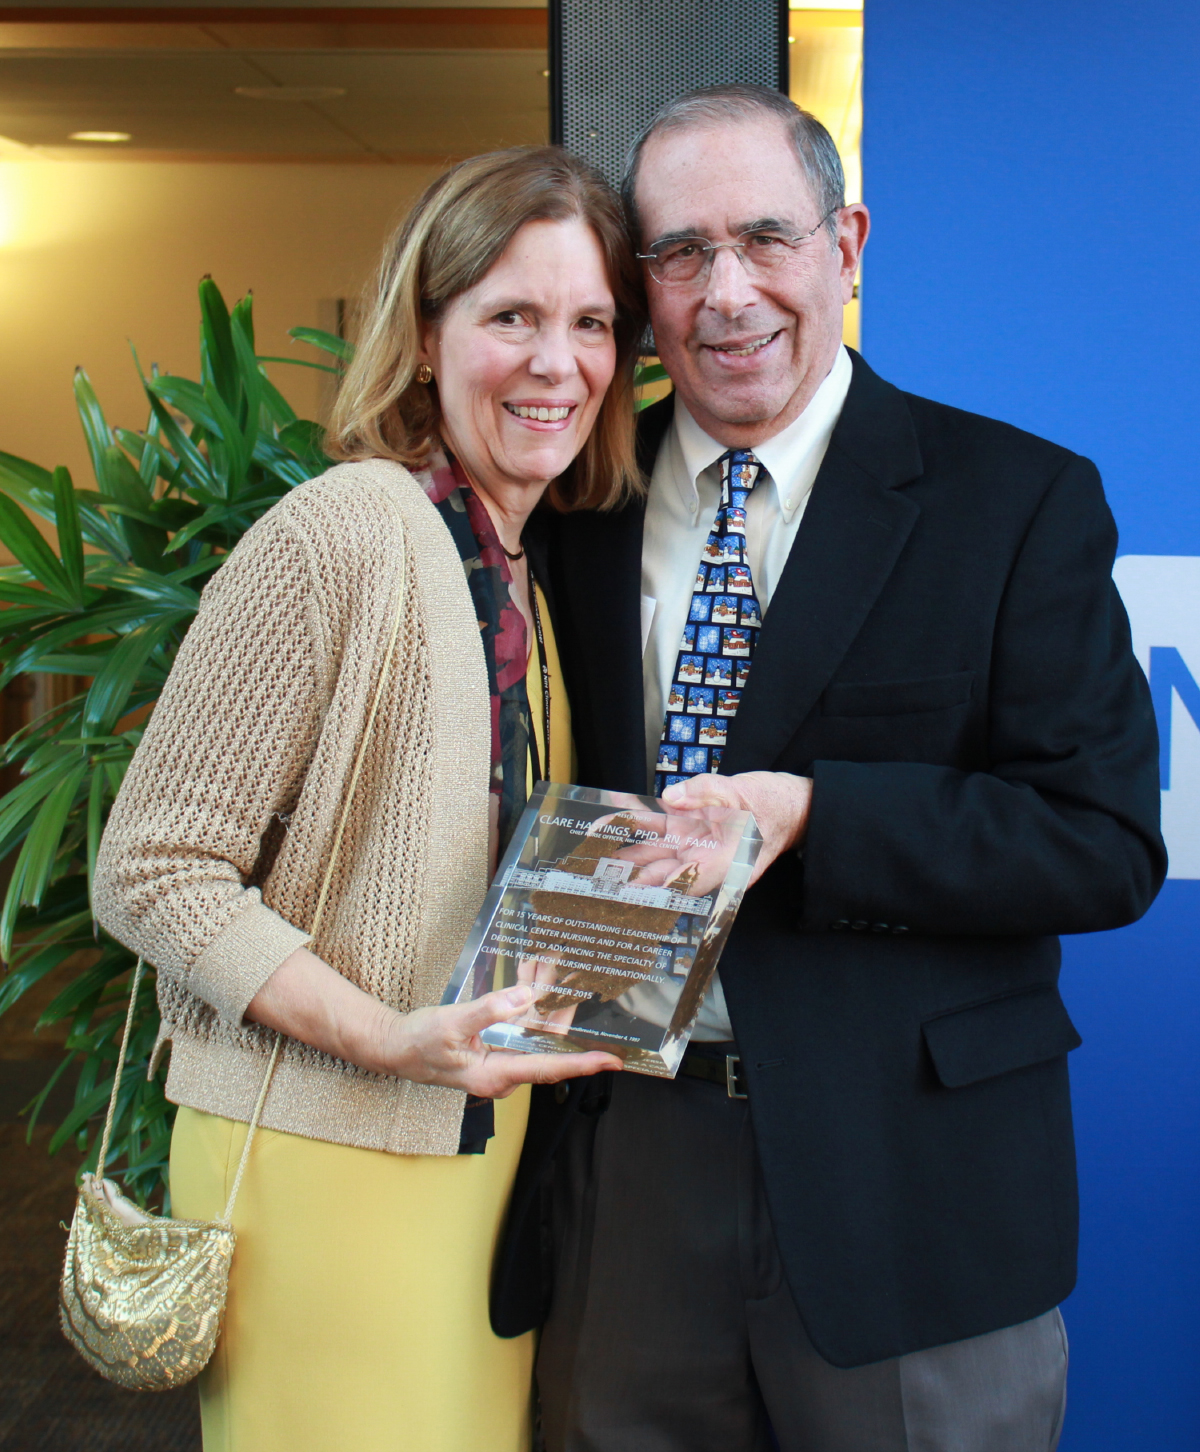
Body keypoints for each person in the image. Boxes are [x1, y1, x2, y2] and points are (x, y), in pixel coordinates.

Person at [500, 86, 1168, 1451]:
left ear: (848, 245)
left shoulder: (1014, 501)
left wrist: (818, 819)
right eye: (681, 253)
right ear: (642, 288)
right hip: (630, 1168)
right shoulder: (569, 513)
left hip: (913, 1186)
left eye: (766, 238)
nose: (727, 291)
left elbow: (1101, 840)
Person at [93, 144, 644, 1452]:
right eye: (512, 316)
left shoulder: (520, 567)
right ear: (427, 329)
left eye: (591, 324)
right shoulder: (345, 530)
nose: (557, 362)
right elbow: (151, 869)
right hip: (323, 1163)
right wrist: (391, 1043)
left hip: (477, 1167)